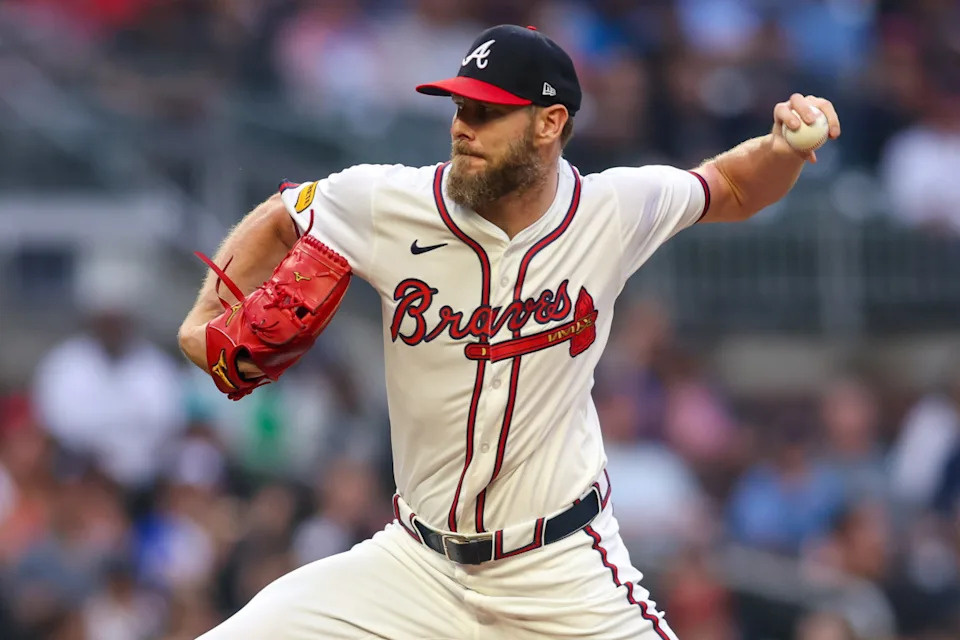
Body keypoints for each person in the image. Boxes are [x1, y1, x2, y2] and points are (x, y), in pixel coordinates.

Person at [178, 23, 841, 640]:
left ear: (550, 122)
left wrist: (781, 148)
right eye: (460, 108)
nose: (464, 127)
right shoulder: (384, 201)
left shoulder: (609, 211)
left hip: (558, 571)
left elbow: (728, 186)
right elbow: (283, 213)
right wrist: (208, 317)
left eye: (487, 112)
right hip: (414, 566)